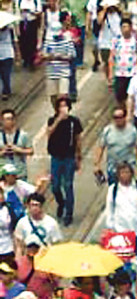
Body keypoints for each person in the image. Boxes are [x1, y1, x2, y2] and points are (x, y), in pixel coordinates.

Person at [105, 162, 137, 260]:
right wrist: (110, 226)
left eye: (127, 172)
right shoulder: (113, 190)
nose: (125, 175)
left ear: (131, 173)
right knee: (123, 262)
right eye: (122, 173)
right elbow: (110, 209)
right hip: (121, 232)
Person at [46, 96, 82, 226]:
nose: (63, 108)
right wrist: (58, 120)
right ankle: (61, 203)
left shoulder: (74, 121)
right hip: (56, 157)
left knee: (68, 185)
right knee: (55, 186)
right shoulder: (52, 120)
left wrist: (78, 156)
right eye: (60, 106)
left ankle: (69, 214)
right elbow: (49, 132)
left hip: (68, 157)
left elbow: (78, 139)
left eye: (65, 106)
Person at [94, 107, 137, 184]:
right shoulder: (107, 131)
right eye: (115, 117)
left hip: (128, 168)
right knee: (114, 189)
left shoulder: (132, 130)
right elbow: (101, 147)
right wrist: (97, 165)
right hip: (113, 168)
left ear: (124, 117)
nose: (118, 120)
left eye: (120, 117)